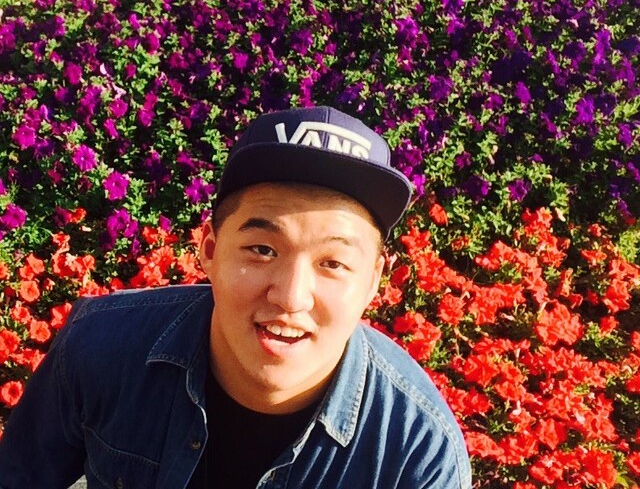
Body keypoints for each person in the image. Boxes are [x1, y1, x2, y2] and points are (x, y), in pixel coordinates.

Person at [0, 106, 472, 488]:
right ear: (209, 250)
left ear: (372, 279)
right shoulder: (101, 346)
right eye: (262, 250)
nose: (291, 297)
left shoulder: (415, 451)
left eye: (333, 263)